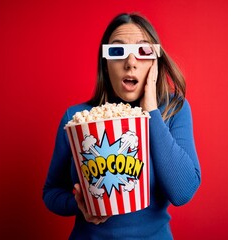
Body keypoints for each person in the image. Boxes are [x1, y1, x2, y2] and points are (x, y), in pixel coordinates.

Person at [43, 12, 201, 239]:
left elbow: (182, 192)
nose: (130, 63)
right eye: (117, 51)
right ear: (105, 64)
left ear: (155, 62)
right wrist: (78, 205)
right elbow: (51, 192)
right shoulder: (77, 117)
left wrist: (151, 111)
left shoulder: (173, 110)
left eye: (143, 51)